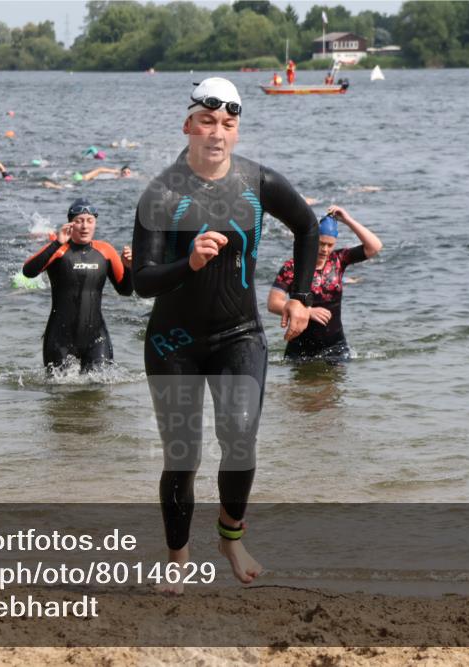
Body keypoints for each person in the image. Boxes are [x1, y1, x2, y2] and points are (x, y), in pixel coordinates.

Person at [131, 77, 318, 593]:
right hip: (173, 342)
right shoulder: (161, 193)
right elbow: (141, 281)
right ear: (188, 125)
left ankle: (231, 537)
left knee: (240, 435)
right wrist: (188, 263)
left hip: (240, 334)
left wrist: (300, 297)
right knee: (183, 455)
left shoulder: (258, 182)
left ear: (236, 131)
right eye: (207, 121)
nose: (217, 132)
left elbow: (307, 227)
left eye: (228, 124)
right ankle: (177, 557)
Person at [23, 198, 133, 373]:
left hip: (97, 339)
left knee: (102, 386)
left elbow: (125, 290)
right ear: (70, 224)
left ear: (95, 223)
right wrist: (57, 243)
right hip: (60, 339)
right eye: (79, 221)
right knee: (59, 388)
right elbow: (28, 271)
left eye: (89, 221)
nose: (84, 226)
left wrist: (128, 268)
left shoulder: (105, 251)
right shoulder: (59, 250)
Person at [268, 205, 382, 363]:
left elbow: (375, 247)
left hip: (335, 345)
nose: (324, 249)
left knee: (338, 380)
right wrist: (307, 312)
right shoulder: (293, 267)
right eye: (321, 243)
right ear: (312, 239)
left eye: (330, 245)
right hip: (300, 347)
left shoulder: (339, 260)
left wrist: (347, 220)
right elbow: (273, 303)